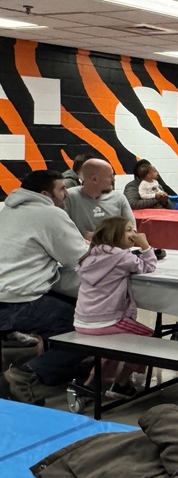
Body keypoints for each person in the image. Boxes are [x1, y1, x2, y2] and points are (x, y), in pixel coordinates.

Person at [0, 170, 88, 404]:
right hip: (19, 301)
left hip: (8, 297)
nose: (66, 194)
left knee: (66, 308)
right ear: (44, 194)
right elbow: (78, 258)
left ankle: (57, 370)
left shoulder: (7, 211)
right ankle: (26, 374)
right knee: (89, 328)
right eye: (61, 188)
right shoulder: (49, 213)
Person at [73, 216, 157, 397]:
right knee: (148, 338)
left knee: (116, 344)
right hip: (105, 321)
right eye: (128, 230)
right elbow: (149, 266)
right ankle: (122, 382)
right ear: (114, 234)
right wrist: (146, 246)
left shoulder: (91, 255)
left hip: (82, 320)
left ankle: (91, 383)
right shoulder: (123, 257)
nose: (133, 233)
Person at [63, 158, 135, 237]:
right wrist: (81, 239)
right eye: (110, 176)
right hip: (82, 247)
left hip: (114, 247)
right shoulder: (69, 197)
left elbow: (132, 230)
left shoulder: (119, 198)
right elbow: (61, 230)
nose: (113, 179)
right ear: (94, 179)